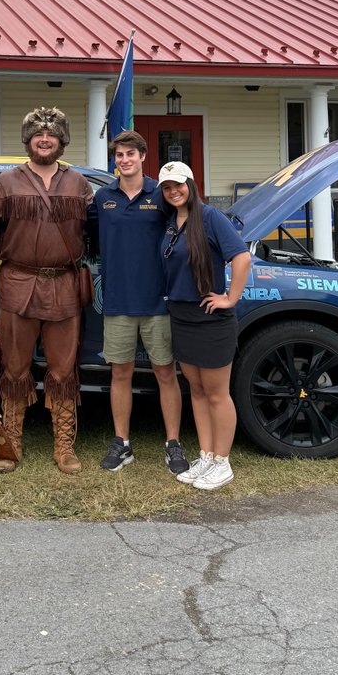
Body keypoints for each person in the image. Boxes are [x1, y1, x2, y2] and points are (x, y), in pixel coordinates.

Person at [0, 106, 93, 475]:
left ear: (61, 141)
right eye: (37, 135)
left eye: (51, 135)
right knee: (14, 368)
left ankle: (64, 445)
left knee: (63, 370)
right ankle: (10, 442)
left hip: (64, 285)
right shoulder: (7, 182)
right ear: (28, 141)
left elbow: (98, 230)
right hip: (17, 283)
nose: (44, 139)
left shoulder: (79, 184)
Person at [95, 131, 188, 475]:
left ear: (143, 156)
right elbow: (89, 238)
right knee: (121, 373)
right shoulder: (103, 197)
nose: (124, 160)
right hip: (118, 302)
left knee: (165, 373)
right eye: (119, 155)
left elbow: (184, 229)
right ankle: (122, 443)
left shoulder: (161, 194)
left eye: (130, 154)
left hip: (157, 301)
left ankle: (173, 443)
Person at [157, 160, 251, 491]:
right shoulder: (171, 222)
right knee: (196, 390)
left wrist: (230, 297)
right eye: (167, 188)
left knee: (216, 393)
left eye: (178, 185)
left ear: (192, 185)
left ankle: (223, 462)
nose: (173, 192)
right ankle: (207, 455)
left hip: (210, 318)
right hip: (181, 316)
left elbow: (241, 256)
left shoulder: (210, 217)